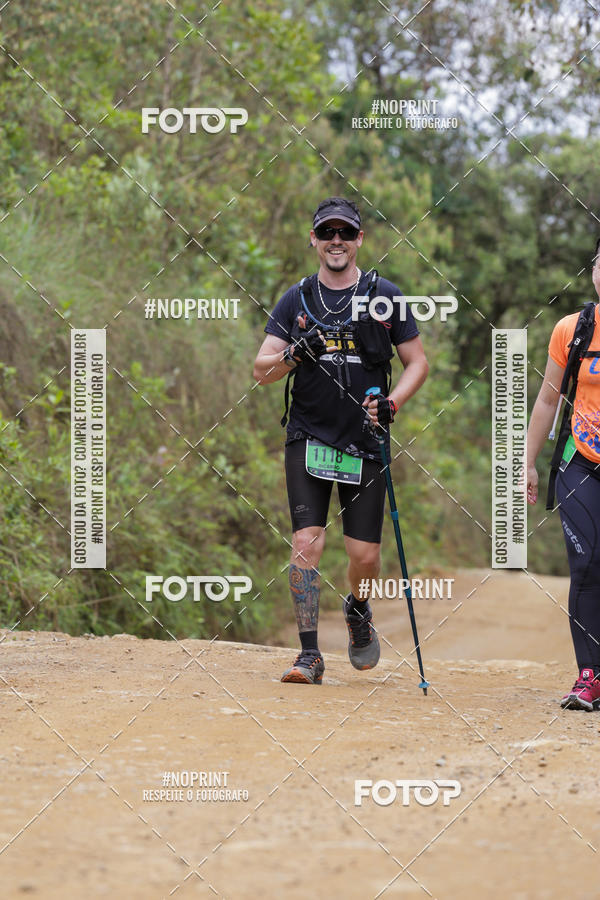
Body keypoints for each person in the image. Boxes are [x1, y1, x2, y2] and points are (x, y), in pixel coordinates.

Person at [252, 197, 429, 684]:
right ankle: (308, 655)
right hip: (308, 437)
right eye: (326, 232)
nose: (336, 241)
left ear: (359, 241)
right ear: (313, 239)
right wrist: (293, 353)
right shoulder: (297, 299)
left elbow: (418, 362)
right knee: (307, 543)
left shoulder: (383, 295)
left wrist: (392, 403)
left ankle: (358, 607)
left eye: (345, 233)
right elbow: (261, 371)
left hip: (364, 442)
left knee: (363, 556)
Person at [527, 238, 600, 710]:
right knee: (586, 563)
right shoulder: (572, 330)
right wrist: (527, 462)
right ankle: (589, 675)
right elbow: (549, 400)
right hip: (581, 461)